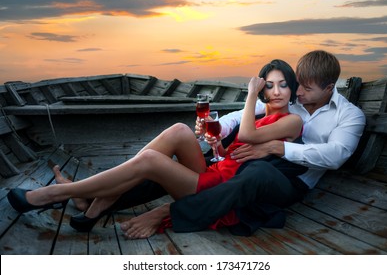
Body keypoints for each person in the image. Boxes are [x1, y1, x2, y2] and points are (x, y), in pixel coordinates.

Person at [7, 59, 303, 237]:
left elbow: (248, 134)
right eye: (269, 85)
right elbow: (237, 154)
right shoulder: (261, 115)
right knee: (178, 131)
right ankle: (98, 199)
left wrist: (251, 95)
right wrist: (218, 146)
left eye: (282, 85)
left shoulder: (292, 122)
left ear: (292, 89)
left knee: (149, 158)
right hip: (216, 171)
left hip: (217, 189)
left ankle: (57, 194)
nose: (275, 92)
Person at [116, 49, 366, 239]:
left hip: (289, 181)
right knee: (201, 164)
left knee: (258, 172)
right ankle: (109, 198)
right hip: (255, 161)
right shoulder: (293, 98)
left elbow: (335, 155)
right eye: (297, 84)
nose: (298, 92)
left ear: (329, 88)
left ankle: (170, 212)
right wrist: (218, 128)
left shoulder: (349, 115)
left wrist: (277, 148)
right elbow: (240, 114)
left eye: (307, 88)